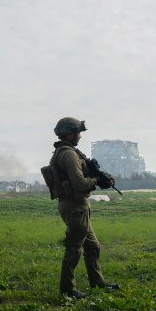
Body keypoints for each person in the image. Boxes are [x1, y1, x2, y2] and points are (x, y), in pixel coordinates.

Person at [48, 117, 120, 298]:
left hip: (77, 205)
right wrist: (98, 181)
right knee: (74, 248)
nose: (80, 136)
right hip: (74, 206)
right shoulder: (69, 154)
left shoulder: (67, 152)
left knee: (93, 246)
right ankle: (68, 290)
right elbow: (80, 184)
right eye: (78, 132)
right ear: (70, 133)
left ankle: (97, 282)